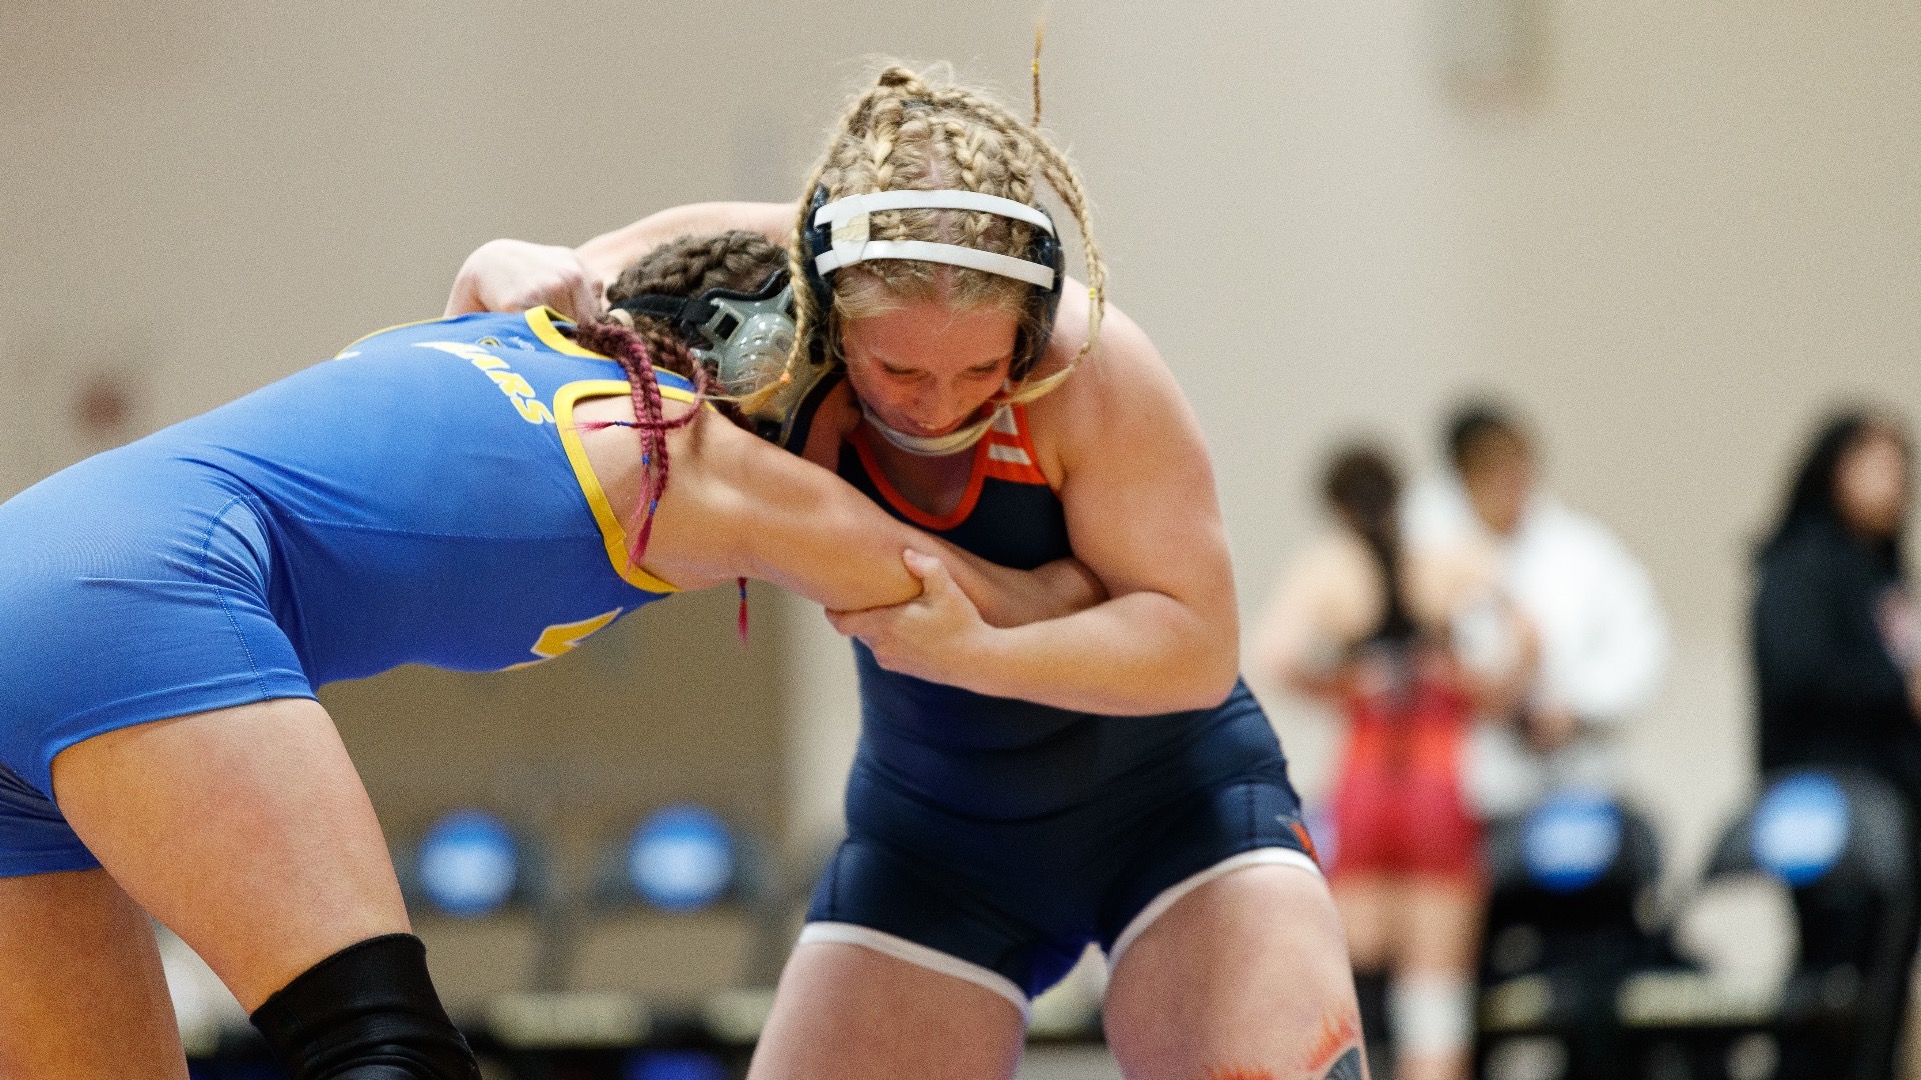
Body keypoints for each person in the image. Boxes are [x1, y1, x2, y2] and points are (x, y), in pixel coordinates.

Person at [448, 63, 1366, 1080]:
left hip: (1177, 814)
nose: (942, 406)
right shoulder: (758, 277)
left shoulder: (1092, 367)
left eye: (983, 370)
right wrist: (495, 261)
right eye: (899, 372)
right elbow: (521, 310)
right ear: (830, 311)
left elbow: (1193, 648)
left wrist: (974, 648)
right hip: (933, 844)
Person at [0, 235, 1101, 1080]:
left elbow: (501, 270)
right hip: (137, 589)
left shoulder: (504, 335)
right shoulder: (697, 452)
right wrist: (1068, 519)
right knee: (386, 1055)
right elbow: (1008, 604)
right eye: (871, 404)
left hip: (40, 562)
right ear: (780, 372)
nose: (885, 440)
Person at [1257, 444, 1535, 1080]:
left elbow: (1276, 653)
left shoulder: (1329, 568)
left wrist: (1348, 685)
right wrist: (1479, 689)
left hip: (1366, 780)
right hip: (1439, 781)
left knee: (1350, 998)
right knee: (1434, 1006)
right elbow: (1528, 636)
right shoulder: (1443, 562)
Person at [1751, 410, 1916, 1080]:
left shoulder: (1882, 574)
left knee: (1882, 987)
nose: (1892, 483)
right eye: (1874, 465)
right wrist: (1894, 688)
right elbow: (1798, 672)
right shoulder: (1800, 563)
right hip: (1826, 813)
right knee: (1833, 983)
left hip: (1895, 808)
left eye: (1900, 468)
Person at [1403, 400, 1667, 814]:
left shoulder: (1583, 550)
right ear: (1461, 477)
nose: (1512, 484)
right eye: (1492, 471)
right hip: (1471, 789)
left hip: (1579, 779)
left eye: (1519, 467)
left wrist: (1576, 705)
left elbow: (1640, 646)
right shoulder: (1429, 554)